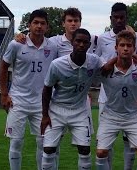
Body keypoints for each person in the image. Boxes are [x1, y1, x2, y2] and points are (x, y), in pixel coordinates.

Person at [0, 9, 58, 170]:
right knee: (16, 141)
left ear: (47, 27)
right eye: (35, 23)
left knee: (43, 142)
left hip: (42, 103)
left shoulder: (53, 46)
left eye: (42, 23)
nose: (39, 26)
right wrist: (4, 94)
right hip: (18, 100)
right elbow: (3, 67)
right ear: (29, 25)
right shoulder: (16, 44)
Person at [41, 28, 103, 170]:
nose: (81, 44)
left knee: (84, 150)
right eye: (78, 41)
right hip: (57, 109)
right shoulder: (57, 64)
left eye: (85, 42)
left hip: (80, 110)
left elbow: (108, 68)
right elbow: (47, 89)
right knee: (48, 150)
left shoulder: (94, 61)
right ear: (72, 43)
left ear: (89, 45)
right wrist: (45, 115)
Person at [95, 2, 137, 169]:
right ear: (111, 18)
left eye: (122, 17)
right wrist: (109, 64)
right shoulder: (102, 38)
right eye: (116, 17)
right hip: (106, 95)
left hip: (129, 91)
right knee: (105, 143)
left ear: (126, 18)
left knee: (130, 141)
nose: (119, 20)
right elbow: (99, 63)